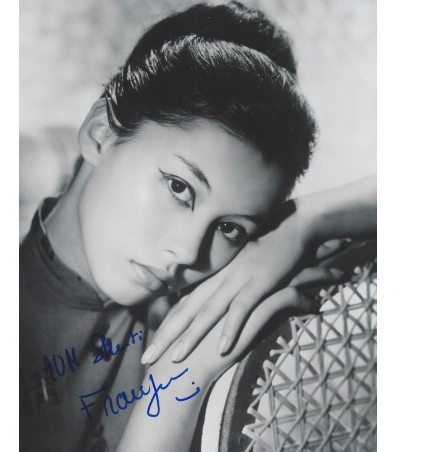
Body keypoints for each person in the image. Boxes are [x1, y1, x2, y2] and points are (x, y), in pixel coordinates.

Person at [19, 2, 376, 451]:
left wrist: (307, 220)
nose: (189, 252)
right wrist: (175, 390)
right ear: (100, 134)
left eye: (230, 228)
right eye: (179, 188)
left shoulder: (225, 291)